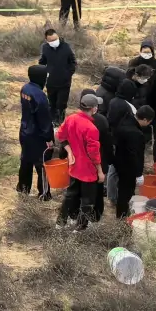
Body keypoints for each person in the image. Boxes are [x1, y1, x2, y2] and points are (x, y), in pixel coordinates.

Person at [54, 93, 105, 229]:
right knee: (88, 201)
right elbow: (94, 154)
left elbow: (60, 135)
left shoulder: (71, 119)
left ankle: (60, 222)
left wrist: (70, 152)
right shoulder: (91, 128)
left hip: (74, 166)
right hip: (87, 169)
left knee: (70, 195)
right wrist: (100, 171)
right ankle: (80, 229)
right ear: (94, 109)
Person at [17, 64, 54, 198]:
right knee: (42, 165)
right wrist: (49, 138)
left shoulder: (25, 88)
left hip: (25, 131)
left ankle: (23, 189)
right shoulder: (40, 96)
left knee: (26, 161)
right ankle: (44, 194)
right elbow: (44, 120)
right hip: (38, 136)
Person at [38, 27, 76, 118]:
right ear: (47, 40)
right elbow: (42, 62)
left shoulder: (66, 46)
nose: (54, 41)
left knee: (61, 105)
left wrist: (68, 74)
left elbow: (73, 62)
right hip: (51, 82)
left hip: (64, 83)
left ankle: (61, 123)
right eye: (51, 40)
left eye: (55, 39)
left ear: (58, 36)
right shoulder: (45, 48)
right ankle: (52, 123)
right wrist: (45, 73)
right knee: (52, 104)